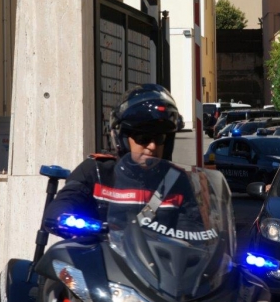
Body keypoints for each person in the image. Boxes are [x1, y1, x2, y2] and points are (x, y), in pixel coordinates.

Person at [43, 83, 193, 231]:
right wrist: (85, 225)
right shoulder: (96, 172)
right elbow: (63, 204)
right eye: (143, 137)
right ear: (123, 139)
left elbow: (194, 233)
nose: (152, 146)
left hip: (158, 255)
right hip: (100, 253)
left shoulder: (177, 181)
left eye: (159, 138)